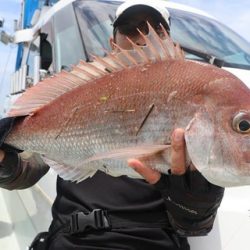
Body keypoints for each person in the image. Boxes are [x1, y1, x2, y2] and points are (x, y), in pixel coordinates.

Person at [0, 1, 224, 249]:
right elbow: (27, 171)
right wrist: (4, 162)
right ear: (113, 43)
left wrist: (197, 206)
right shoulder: (79, 93)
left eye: (155, 28)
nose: (142, 37)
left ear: (169, 41)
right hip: (68, 240)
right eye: (130, 28)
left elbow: (193, 224)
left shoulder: (192, 101)